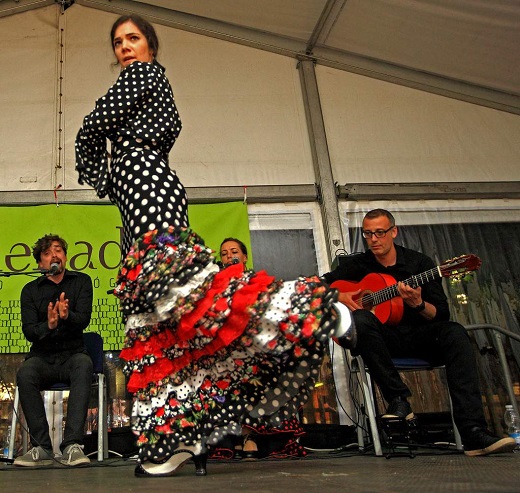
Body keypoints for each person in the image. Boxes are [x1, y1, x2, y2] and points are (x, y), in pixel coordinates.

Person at [75, 14, 354, 477]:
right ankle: (176, 441)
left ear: (151, 47)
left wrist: (99, 158)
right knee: (156, 329)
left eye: (133, 38)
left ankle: (315, 308)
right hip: (134, 209)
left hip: (151, 197)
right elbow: (99, 142)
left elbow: (92, 123)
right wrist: (108, 173)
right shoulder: (140, 96)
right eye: (118, 41)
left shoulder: (143, 76)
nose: (124, 47)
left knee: (190, 303)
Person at [323, 208, 516, 457]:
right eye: (368, 234)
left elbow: (441, 314)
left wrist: (419, 305)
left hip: (420, 337)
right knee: (360, 318)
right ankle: (399, 399)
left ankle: (474, 433)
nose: (373, 239)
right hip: (381, 343)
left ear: (394, 232)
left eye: (380, 233)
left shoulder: (420, 264)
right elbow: (320, 284)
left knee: (455, 332)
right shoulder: (358, 265)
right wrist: (341, 295)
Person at [218, 238, 308, 460]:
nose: (229, 256)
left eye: (234, 252)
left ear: (245, 257)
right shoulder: (216, 287)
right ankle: (234, 437)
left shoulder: (258, 282)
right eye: (224, 254)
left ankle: (250, 436)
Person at [14, 234, 94, 467]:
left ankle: (72, 445)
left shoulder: (81, 282)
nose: (54, 256)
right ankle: (42, 448)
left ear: (65, 257)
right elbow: (29, 331)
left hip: (73, 354)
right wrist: (48, 325)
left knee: (84, 364)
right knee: (25, 373)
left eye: (58, 250)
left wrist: (66, 317)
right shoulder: (30, 290)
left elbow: (83, 320)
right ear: (40, 263)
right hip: (42, 357)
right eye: (47, 253)